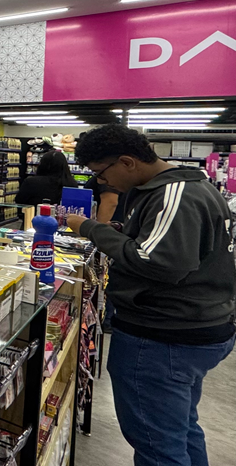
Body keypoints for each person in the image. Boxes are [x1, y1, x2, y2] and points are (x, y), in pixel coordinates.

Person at [66, 124, 235, 466]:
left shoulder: (175, 195)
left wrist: (90, 229)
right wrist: (123, 232)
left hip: (163, 336)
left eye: (101, 173)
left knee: (158, 449)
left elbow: (157, 262)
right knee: (180, 430)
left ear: (127, 162)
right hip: (189, 329)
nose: (101, 181)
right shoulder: (181, 188)